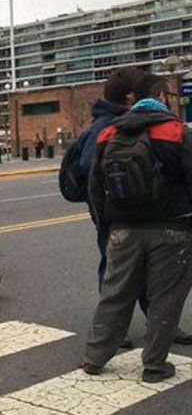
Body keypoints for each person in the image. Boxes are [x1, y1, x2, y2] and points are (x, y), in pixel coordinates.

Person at [84, 74, 192, 382]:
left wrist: (106, 226)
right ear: (160, 96)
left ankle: (95, 357)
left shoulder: (109, 134)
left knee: (115, 293)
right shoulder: (176, 132)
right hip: (172, 229)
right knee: (166, 298)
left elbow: (95, 187)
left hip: (122, 230)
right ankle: (154, 366)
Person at [76, 67, 154, 333]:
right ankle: (110, 329)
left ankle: (155, 321)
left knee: (138, 270)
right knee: (115, 273)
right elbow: (91, 171)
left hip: (116, 215)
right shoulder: (109, 128)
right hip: (117, 216)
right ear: (131, 97)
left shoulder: (107, 124)